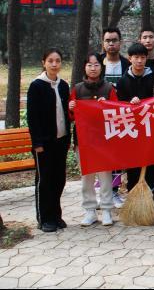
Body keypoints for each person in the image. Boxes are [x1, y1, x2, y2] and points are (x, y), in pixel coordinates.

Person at [69, 53, 118, 227]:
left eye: (96, 65)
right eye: (89, 65)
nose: (93, 68)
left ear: (101, 67)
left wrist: (107, 105)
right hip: (83, 141)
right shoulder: (77, 89)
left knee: (105, 176)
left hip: (103, 140)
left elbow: (116, 113)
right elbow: (71, 117)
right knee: (87, 177)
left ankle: (106, 210)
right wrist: (71, 108)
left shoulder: (109, 88)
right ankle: (89, 210)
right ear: (84, 67)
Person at [27, 48, 71, 233]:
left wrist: (68, 139)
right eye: (50, 61)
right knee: (44, 180)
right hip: (43, 144)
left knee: (59, 180)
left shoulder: (63, 85)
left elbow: (66, 114)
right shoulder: (36, 86)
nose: (54, 64)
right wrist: (37, 143)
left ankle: (56, 215)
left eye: (58, 61)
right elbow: (32, 117)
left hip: (61, 141)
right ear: (43, 63)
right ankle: (44, 218)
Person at [116, 43, 154, 192]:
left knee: (151, 162)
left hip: (150, 126)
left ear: (146, 59)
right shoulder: (123, 81)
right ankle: (132, 191)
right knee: (133, 162)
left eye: (142, 57)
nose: (139, 61)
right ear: (130, 59)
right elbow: (119, 104)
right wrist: (129, 103)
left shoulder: (153, 77)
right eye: (136, 57)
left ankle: (152, 192)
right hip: (131, 128)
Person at [98, 27, 128, 207]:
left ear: (120, 43)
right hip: (99, 118)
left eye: (114, 40)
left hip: (120, 117)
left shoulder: (126, 64)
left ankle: (115, 192)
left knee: (116, 157)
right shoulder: (96, 63)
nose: (111, 44)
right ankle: (102, 193)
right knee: (101, 156)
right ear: (103, 43)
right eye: (108, 40)